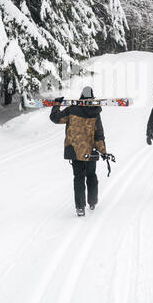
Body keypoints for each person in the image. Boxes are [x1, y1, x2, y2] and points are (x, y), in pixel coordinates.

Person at [50, 86, 107, 216]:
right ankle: (92, 202)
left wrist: (56, 104)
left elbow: (55, 118)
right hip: (91, 151)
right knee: (91, 176)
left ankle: (80, 207)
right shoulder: (95, 113)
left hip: (75, 151)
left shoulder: (72, 110)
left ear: (81, 96)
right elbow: (99, 134)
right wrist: (103, 151)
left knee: (78, 178)